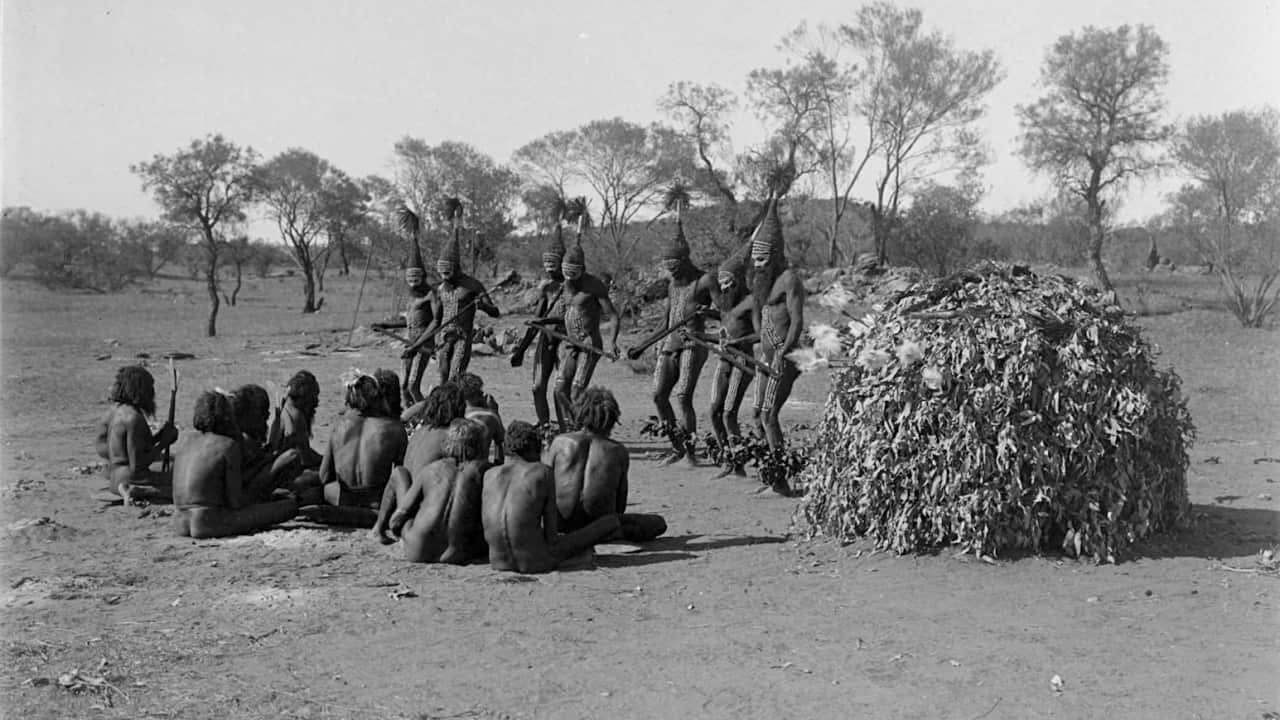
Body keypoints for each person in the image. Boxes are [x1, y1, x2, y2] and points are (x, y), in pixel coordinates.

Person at [483, 421, 620, 574]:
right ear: (536, 449)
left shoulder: (489, 475)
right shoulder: (543, 472)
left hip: (498, 563)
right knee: (610, 522)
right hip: (537, 563)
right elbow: (552, 538)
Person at [545, 388, 667, 542]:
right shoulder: (618, 451)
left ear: (580, 413)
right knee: (658, 523)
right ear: (612, 417)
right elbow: (620, 506)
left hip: (560, 524)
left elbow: (547, 487)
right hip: (600, 525)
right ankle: (610, 535)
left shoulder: (559, 442)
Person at [172, 391, 298, 538]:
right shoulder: (228, 445)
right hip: (209, 522)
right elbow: (236, 502)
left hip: (179, 523)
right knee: (290, 507)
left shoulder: (187, 442)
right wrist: (271, 474)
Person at [647, 208, 715, 465]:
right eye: (668, 267)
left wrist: (708, 312)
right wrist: (647, 344)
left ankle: (690, 453)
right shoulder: (672, 284)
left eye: (674, 266)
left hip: (693, 344)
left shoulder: (704, 281)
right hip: (670, 343)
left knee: (683, 396)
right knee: (658, 395)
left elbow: (723, 312)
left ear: (685, 260)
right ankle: (676, 445)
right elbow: (666, 321)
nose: (672, 272)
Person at [299, 372, 407, 527]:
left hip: (342, 501)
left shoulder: (339, 426)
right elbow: (400, 476)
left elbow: (324, 477)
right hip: (378, 505)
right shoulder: (395, 429)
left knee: (315, 485)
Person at [750, 197, 805, 496]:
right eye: (755, 259)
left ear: (776, 255)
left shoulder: (789, 279)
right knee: (756, 415)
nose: (758, 264)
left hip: (783, 359)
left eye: (763, 259)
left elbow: (797, 321)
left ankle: (781, 481)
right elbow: (762, 318)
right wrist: (760, 342)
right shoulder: (763, 282)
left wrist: (783, 351)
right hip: (766, 359)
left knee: (769, 416)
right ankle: (771, 476)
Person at [411, 200, 500, 386]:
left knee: (455, 377)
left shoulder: (472, 285)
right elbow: (436, 320)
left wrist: (482, 306)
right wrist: (419, 343)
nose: (444, 276)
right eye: (441, 272)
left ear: (455, 267)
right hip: (443, 338)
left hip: (462, 338)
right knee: (442, 378)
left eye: (447, 271)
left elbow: (495, 312)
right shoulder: (439, 289)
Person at [371, 383, 466, 541]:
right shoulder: (450, 438)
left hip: (405, 502)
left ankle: (378, 527)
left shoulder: (420, 432)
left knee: (399, 473)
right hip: (424, 513)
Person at [554, 218, 621, 426]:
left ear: (581, 270)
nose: (569, 278)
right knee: (559, 390)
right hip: (570, 345)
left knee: (576, 390)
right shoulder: (565, 286)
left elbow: (612, 315)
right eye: (566, 273)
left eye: (573, 274)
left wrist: (613, 342)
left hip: (589, 346)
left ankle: (581, 427)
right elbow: (565, 315)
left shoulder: (594, 286)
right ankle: (575, 424)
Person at [395, 419, 491, 564]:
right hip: (458, 553)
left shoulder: (431, 469)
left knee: (400, 477)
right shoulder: (485, 472)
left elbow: (396, 520)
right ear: (480, 445)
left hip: (417, 550)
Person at [707, 243, 758, 478]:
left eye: (729, 282)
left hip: (743, 361)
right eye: (722, 283)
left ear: (739, 280)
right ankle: (727, 458)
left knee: (729, 413)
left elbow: (760, 334)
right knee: (714, 411)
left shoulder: (751, 302)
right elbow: (722, 333)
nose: (725, 287)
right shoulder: (724, 305)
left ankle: (738, 463)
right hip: (724, 361)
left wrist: (740, 343)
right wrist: (699, 335)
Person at [510, 219, 567, 428]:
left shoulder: (572, 287)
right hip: (546, 339)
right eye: (547, 264)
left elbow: (569, 319)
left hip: (565, 341)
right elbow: (536, 322)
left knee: (559, 389)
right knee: (537, 387)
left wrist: (546, 321)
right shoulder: (546, 288)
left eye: (553, 263)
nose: (549, 268)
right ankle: (544, 426)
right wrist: (521, 350)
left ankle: (564, 427)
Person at [94, 365, 179, 503]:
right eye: (150, 389)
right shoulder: (133, 419)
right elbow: (138, 465)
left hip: (115, 478)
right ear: (141, 390)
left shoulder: (119, 412)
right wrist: (164, 443)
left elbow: (134, 448)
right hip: (131, 479)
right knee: (183, 483)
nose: (153, 394)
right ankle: (136, 491)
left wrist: (161, 435)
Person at [383, 237, 436, 407]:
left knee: (413, 386)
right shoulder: (411, 296)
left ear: (423, 276)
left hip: (423, 344)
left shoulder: (431, 295)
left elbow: (436, 322)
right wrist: (386, 326)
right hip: (409, 343)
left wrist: (417, 345)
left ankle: (426, 416)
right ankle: (410, 418)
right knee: (403, 386)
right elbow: (410, 322)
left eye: (416, 275)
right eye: (410, 276)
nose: (413, 278)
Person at [267, 370, 322, 471]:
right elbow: (305, 458)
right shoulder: (297, 416)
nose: (317, 403)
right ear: (306, 398)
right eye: (314, 397)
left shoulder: (286, 409)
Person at [452, 372, 504, 465]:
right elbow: (501, 444)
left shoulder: (454, 417)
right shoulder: (490, 418)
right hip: (480, 468)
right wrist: (495, 413)